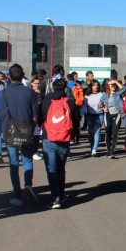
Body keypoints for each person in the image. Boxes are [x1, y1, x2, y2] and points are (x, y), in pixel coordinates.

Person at [0, 64, 40, 207]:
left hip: (10, 133)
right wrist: (31, 127)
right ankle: (28, 185)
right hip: (26, 130)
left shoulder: (4, 93)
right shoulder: (30, 92)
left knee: (14, 163)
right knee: (27, 160)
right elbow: (35, 115)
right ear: (23, 76)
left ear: (9, 77)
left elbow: (1, 114)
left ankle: (17, 195)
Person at [40, 77, 76, 209]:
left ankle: (54, 197)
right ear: (65, 89)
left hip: (48, 137)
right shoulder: (69, 102)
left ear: (52, 88)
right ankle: (61, 194)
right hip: (64, 138)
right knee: (61, 168)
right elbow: (76, 120)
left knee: (51, 168)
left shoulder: (46, 101)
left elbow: (40, 118)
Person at [101, 79, 124, 158]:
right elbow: (100, 103)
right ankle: (108, 150)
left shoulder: (117, 94)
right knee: (108, 132)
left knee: (115, 133)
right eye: (112, 85)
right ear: (108, 86)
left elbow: (124, 88)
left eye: (115, 85)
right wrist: (103, 108)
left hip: (116, 114)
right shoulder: (105, 94)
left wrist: (115, 81)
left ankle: (112, 152)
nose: (113, 86)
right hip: (107, 115)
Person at [84, 79, 105, 156]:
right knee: (90, 133)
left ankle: (94, 149)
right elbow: (84, 106)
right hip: (90, 115)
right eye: (94, 85)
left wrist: (103, 105)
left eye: (97, 85)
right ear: (91, 86)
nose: (96, 87)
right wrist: (82, 113)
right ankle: (91, 146)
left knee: (97, 132)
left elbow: (106, 103)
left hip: (99, 115)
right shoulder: (87, 95)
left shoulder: (102, 94)